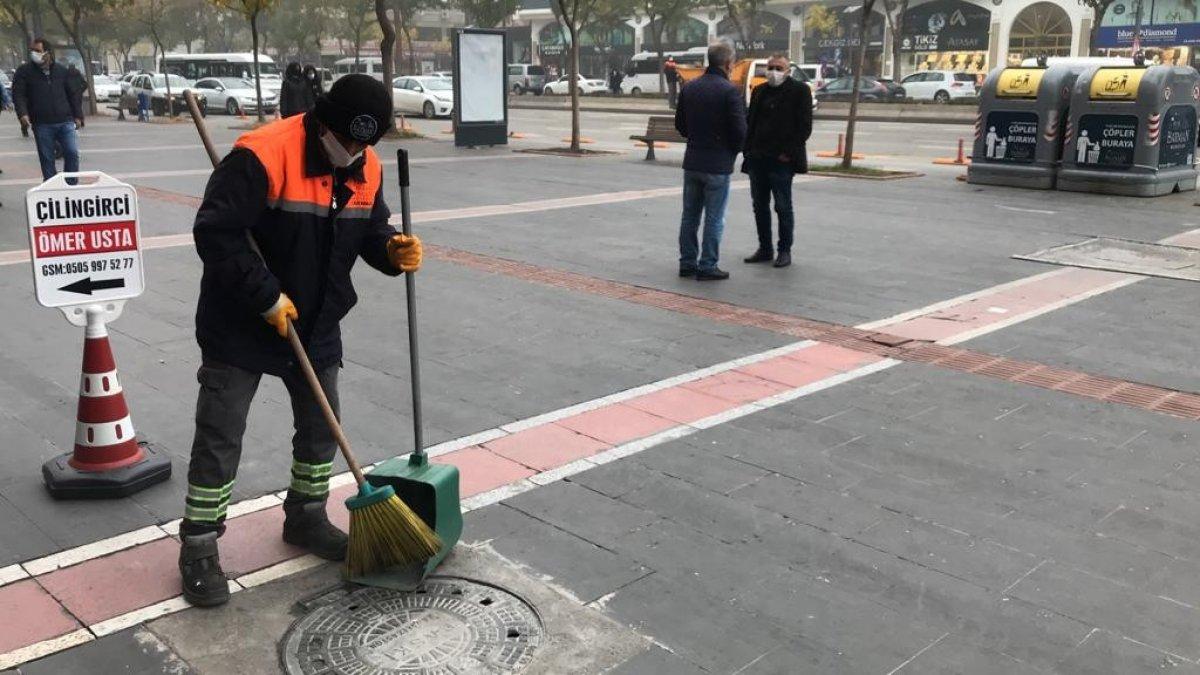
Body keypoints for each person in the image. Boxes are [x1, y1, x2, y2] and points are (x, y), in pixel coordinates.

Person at [178, 74, 424, 607]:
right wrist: (265, 296)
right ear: (322, 122)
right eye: (347, 140)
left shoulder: (366, 165)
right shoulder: (262, 154)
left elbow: (370, 227)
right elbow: (216, 233)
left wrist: (390, 250)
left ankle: (307, 516)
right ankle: (199, 544)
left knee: (319, 429)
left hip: (316, 322)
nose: (353, 152)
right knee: (221, 433)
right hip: (240, 319)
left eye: (364, 144)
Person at [674, 42, 745, 281]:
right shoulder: (729, 91)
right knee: (714, 218)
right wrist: (733, 150)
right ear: (728, 64)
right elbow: (739, 131)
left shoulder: (690, 87)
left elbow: (680, 125)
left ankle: (687, 262)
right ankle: (707, 265)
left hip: (693, 160)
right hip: (718, 164)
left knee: (689, 216)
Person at [741, 54, 812, 269]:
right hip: (758, 158)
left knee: (782, 206)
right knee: (759, 206)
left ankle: (784, 250)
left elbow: (804, 127)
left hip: (782, 160)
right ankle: (765, 248)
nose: (773, 72)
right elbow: (750, 122)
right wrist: (748, 151)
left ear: (788, 71)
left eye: (779, 68)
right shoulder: (759, 90)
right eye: (770, 67)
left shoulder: (800, 91)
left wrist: (788, 153)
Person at [12, 38, 82, 180]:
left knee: (72, 152)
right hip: (42, 123)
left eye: (37, 50)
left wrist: (78, 116)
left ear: (47, 53)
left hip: (65, 121)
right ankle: (51, 187)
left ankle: (71, 184)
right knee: (47, 158)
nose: (34, 53)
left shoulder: (61, 71)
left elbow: (72, 94)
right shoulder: (24, 72)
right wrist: (23, 114)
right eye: (32, 50)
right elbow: (18, 94)